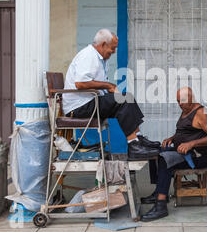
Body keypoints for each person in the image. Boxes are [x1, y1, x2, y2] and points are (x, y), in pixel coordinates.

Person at [62, 28, 160, 159]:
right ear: (103, 44)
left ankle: (138, 139)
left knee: (127, 97)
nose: (114, 52)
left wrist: (112, 89)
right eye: (112, 48)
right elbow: (80, 83)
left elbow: (97, 84)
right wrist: (108, 85)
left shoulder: (100, 59)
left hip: (89, 102)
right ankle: (133, 146)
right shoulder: (88, 55)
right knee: (123, 100)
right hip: (79, 107)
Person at [140, 87, 207, 222]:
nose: (180, 104)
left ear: (191, 98)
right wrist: (172, 138)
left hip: (197, 157)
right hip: (183, 152)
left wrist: (191, 144)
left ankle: (160, 206)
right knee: (155, 152)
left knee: (166, 159)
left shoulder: (202, 112)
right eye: (178, 101)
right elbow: (185, 132)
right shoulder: (186, 110)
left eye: (182, 100)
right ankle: (158, 192)